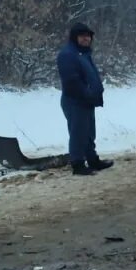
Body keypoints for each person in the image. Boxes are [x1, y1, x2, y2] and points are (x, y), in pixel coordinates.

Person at [56, 22, 112, 176]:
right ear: (75, 37)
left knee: (88, 132)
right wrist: (86, 93)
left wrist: (94, 93)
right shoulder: (68, 54)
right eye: (82, 36)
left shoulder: (84, 53)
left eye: (88, 36)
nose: (86, 39)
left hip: (87, 100)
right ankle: (77, 163)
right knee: (78, 133)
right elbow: (71, 81)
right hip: (75, 100)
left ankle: (93, 159)